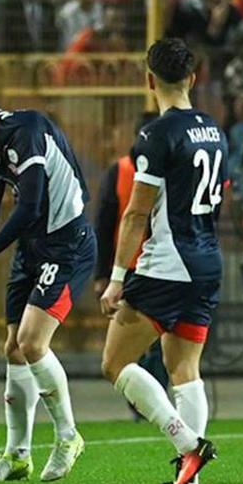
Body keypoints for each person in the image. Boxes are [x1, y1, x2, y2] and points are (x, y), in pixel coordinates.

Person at [0, 100, 96, 483]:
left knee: (32, 343)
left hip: (66, 244)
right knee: (14, 348)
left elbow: (30, 207)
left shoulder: (28, 132)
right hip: (31, 247)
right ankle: (18, 454)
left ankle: (68, 436)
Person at [98, 37, 227, 484]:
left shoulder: (157, 135)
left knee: (115, 363)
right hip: (207, 260)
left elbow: (136, 213)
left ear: (149, 80)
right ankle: (188, 482)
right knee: (184, 370)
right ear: (193, 78)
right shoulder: (213, 130)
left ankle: (190, 447)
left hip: (168, 264)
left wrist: (116, 278)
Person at [93, 113, 171, 416]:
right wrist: (105, 274)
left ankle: (146, 406)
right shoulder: (171, 169)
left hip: (132, 267)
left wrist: (105, 274)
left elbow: (105, 222)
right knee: (158, 343)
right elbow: (105, 222)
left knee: (133, 347)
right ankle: (153, 405)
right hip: (152, 267)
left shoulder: (121, 169)